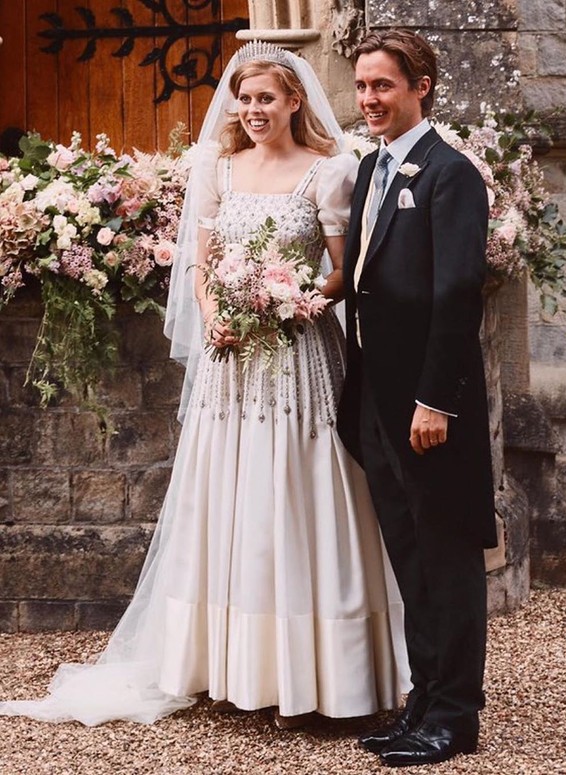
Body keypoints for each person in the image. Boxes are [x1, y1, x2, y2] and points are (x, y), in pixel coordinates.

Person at [0, 41, 408, 727]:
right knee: (232, 496)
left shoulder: (330, 172)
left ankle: (316, 676)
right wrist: (218, 312)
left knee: (299, 494)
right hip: (231, 363)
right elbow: (201, 264)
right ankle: (229, 666)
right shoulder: (218, 167)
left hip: (298, 356)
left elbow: (344, 272)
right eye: (244, 99)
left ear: (294, 101)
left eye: (266, 98)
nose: (253, 110)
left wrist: (293, 301)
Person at [337, 29, 497, 766]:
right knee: (410, 558)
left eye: (383, 85)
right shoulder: (372, 167)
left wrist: (435, 400)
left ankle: (455, 717)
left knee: (447, 559)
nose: (369, 98)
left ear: (420, 86)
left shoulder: (450, 174)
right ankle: (423, 702)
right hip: (377, 398)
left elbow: (458, 292)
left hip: (430, 409)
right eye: (362, 85)